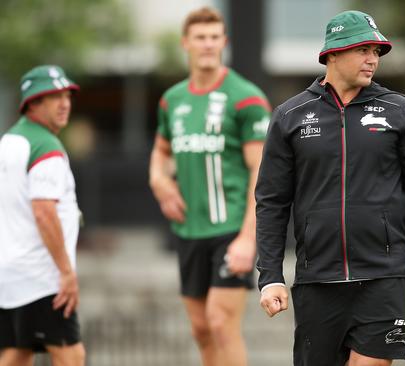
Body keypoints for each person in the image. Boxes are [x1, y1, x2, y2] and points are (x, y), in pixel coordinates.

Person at [255, 10, 405, 366]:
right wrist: (270, 276)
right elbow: (271, 202)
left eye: (377, 52)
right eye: (363, 49)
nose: (372, 59)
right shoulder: (290, 115)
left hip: (386, 276)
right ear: (332, 53)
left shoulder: (397, 109)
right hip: (318, 281)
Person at [148, 7, 271, 366]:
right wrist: (157, 180)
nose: (207, 44)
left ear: (224, 42)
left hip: (230, 229)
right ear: (186, 43)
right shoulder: (172, 100)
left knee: (221, 323)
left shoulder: (246, 98)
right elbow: (160, 152)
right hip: (188, 229)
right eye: (200, 37)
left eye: (215, 37)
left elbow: (260, 174)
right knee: (201, 329)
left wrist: (249, 238)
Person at [0, 65, 85, 366]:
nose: (64, 104)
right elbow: (44, 212)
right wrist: (65, 272)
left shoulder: (9, 141)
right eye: (53, 97)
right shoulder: (45, 146)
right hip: (42, 277)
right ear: (32, 103)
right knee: (71, 355)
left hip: (11, 276)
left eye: (67, 95)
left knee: (16, 354)